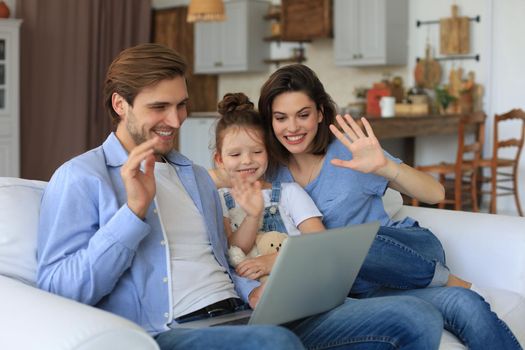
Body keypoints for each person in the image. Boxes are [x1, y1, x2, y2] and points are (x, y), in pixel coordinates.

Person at [36, 43, 445, 350]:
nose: (175, 120)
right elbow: (57, 290)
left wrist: (256, 291)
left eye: (181, 106)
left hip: (244, 313)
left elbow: (221, 261)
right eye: (160, 107)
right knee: (274, 345)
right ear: (120, 104)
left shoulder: (193, 176)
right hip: (173, 331)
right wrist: (134, 212)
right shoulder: (81, 177)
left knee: (415, 316)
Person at [256, 63, 522, 349]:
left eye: (303, 115)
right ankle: (452, 286)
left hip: (406, 248)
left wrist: (385, 168)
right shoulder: (270, 175)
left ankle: (445, 278)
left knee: (348, 244)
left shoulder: (347, 149)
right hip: (364, 291)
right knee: (466, 304)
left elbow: (435, 193)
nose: (292, 127)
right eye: (281, 118)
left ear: (320, 113)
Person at [213, 92, 324, 280]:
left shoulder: (289, 192)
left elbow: (320, 241)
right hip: (250, 289)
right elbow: (234, 250)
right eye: (235, 155)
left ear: (269, 152)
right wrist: (253, 216)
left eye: (257, 151)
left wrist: (275, 260)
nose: (247, 161)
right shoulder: (219, 198)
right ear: (220, 159)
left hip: (299, 279)